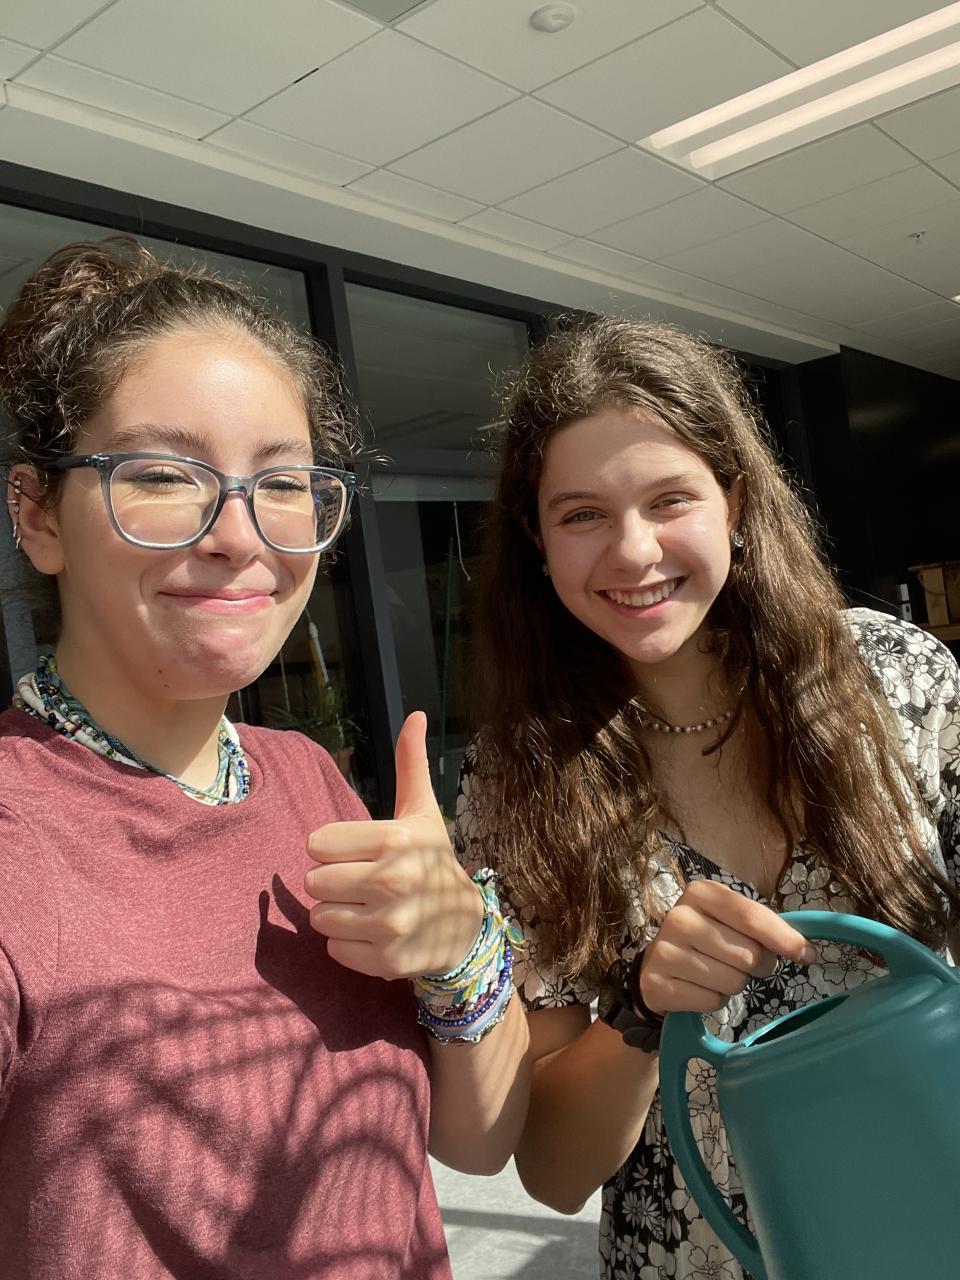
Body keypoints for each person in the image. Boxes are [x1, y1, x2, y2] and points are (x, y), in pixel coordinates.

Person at [0, 237, 528, 1280]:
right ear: (35, 515)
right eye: (162, 473)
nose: (240, 535)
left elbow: (476, 1143)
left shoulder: (306, 779)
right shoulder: (18, 846)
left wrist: (463, 951)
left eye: (283, 482)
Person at [453, 316, 960, 1279]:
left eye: (669, 498)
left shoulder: (898, 677)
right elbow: (554, 1171)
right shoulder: (517, 785)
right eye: (582, 514)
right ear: (537, 540)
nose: (632, 552)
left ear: (734, 499)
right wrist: (644, 1011)